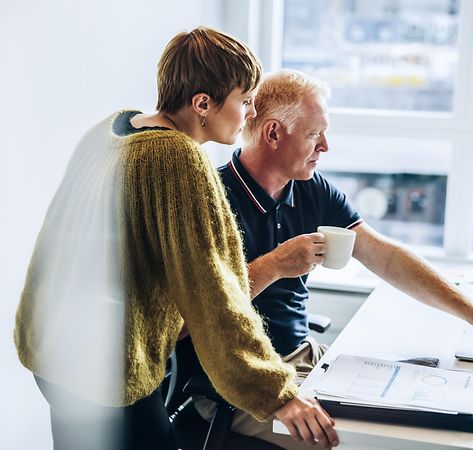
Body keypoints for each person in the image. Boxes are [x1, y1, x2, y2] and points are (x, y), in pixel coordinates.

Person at [193, 69, 473, 449]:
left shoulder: (310, 188)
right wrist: (275, 265)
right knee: (359, 441)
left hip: (303, 357)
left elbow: (386, 257)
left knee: (421, 399)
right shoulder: (213, 200)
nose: (325, 147)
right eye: (314, 134)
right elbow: (197, 312)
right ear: (273, 134)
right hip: (236, 383)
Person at [13, 30, 338, 450]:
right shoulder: (178, 160)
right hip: (108, 369)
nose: (251, 112)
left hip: (53, 350)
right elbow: (214, 296)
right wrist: (278, 395)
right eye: (245, 100)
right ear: (203, 104)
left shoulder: (111, 131)